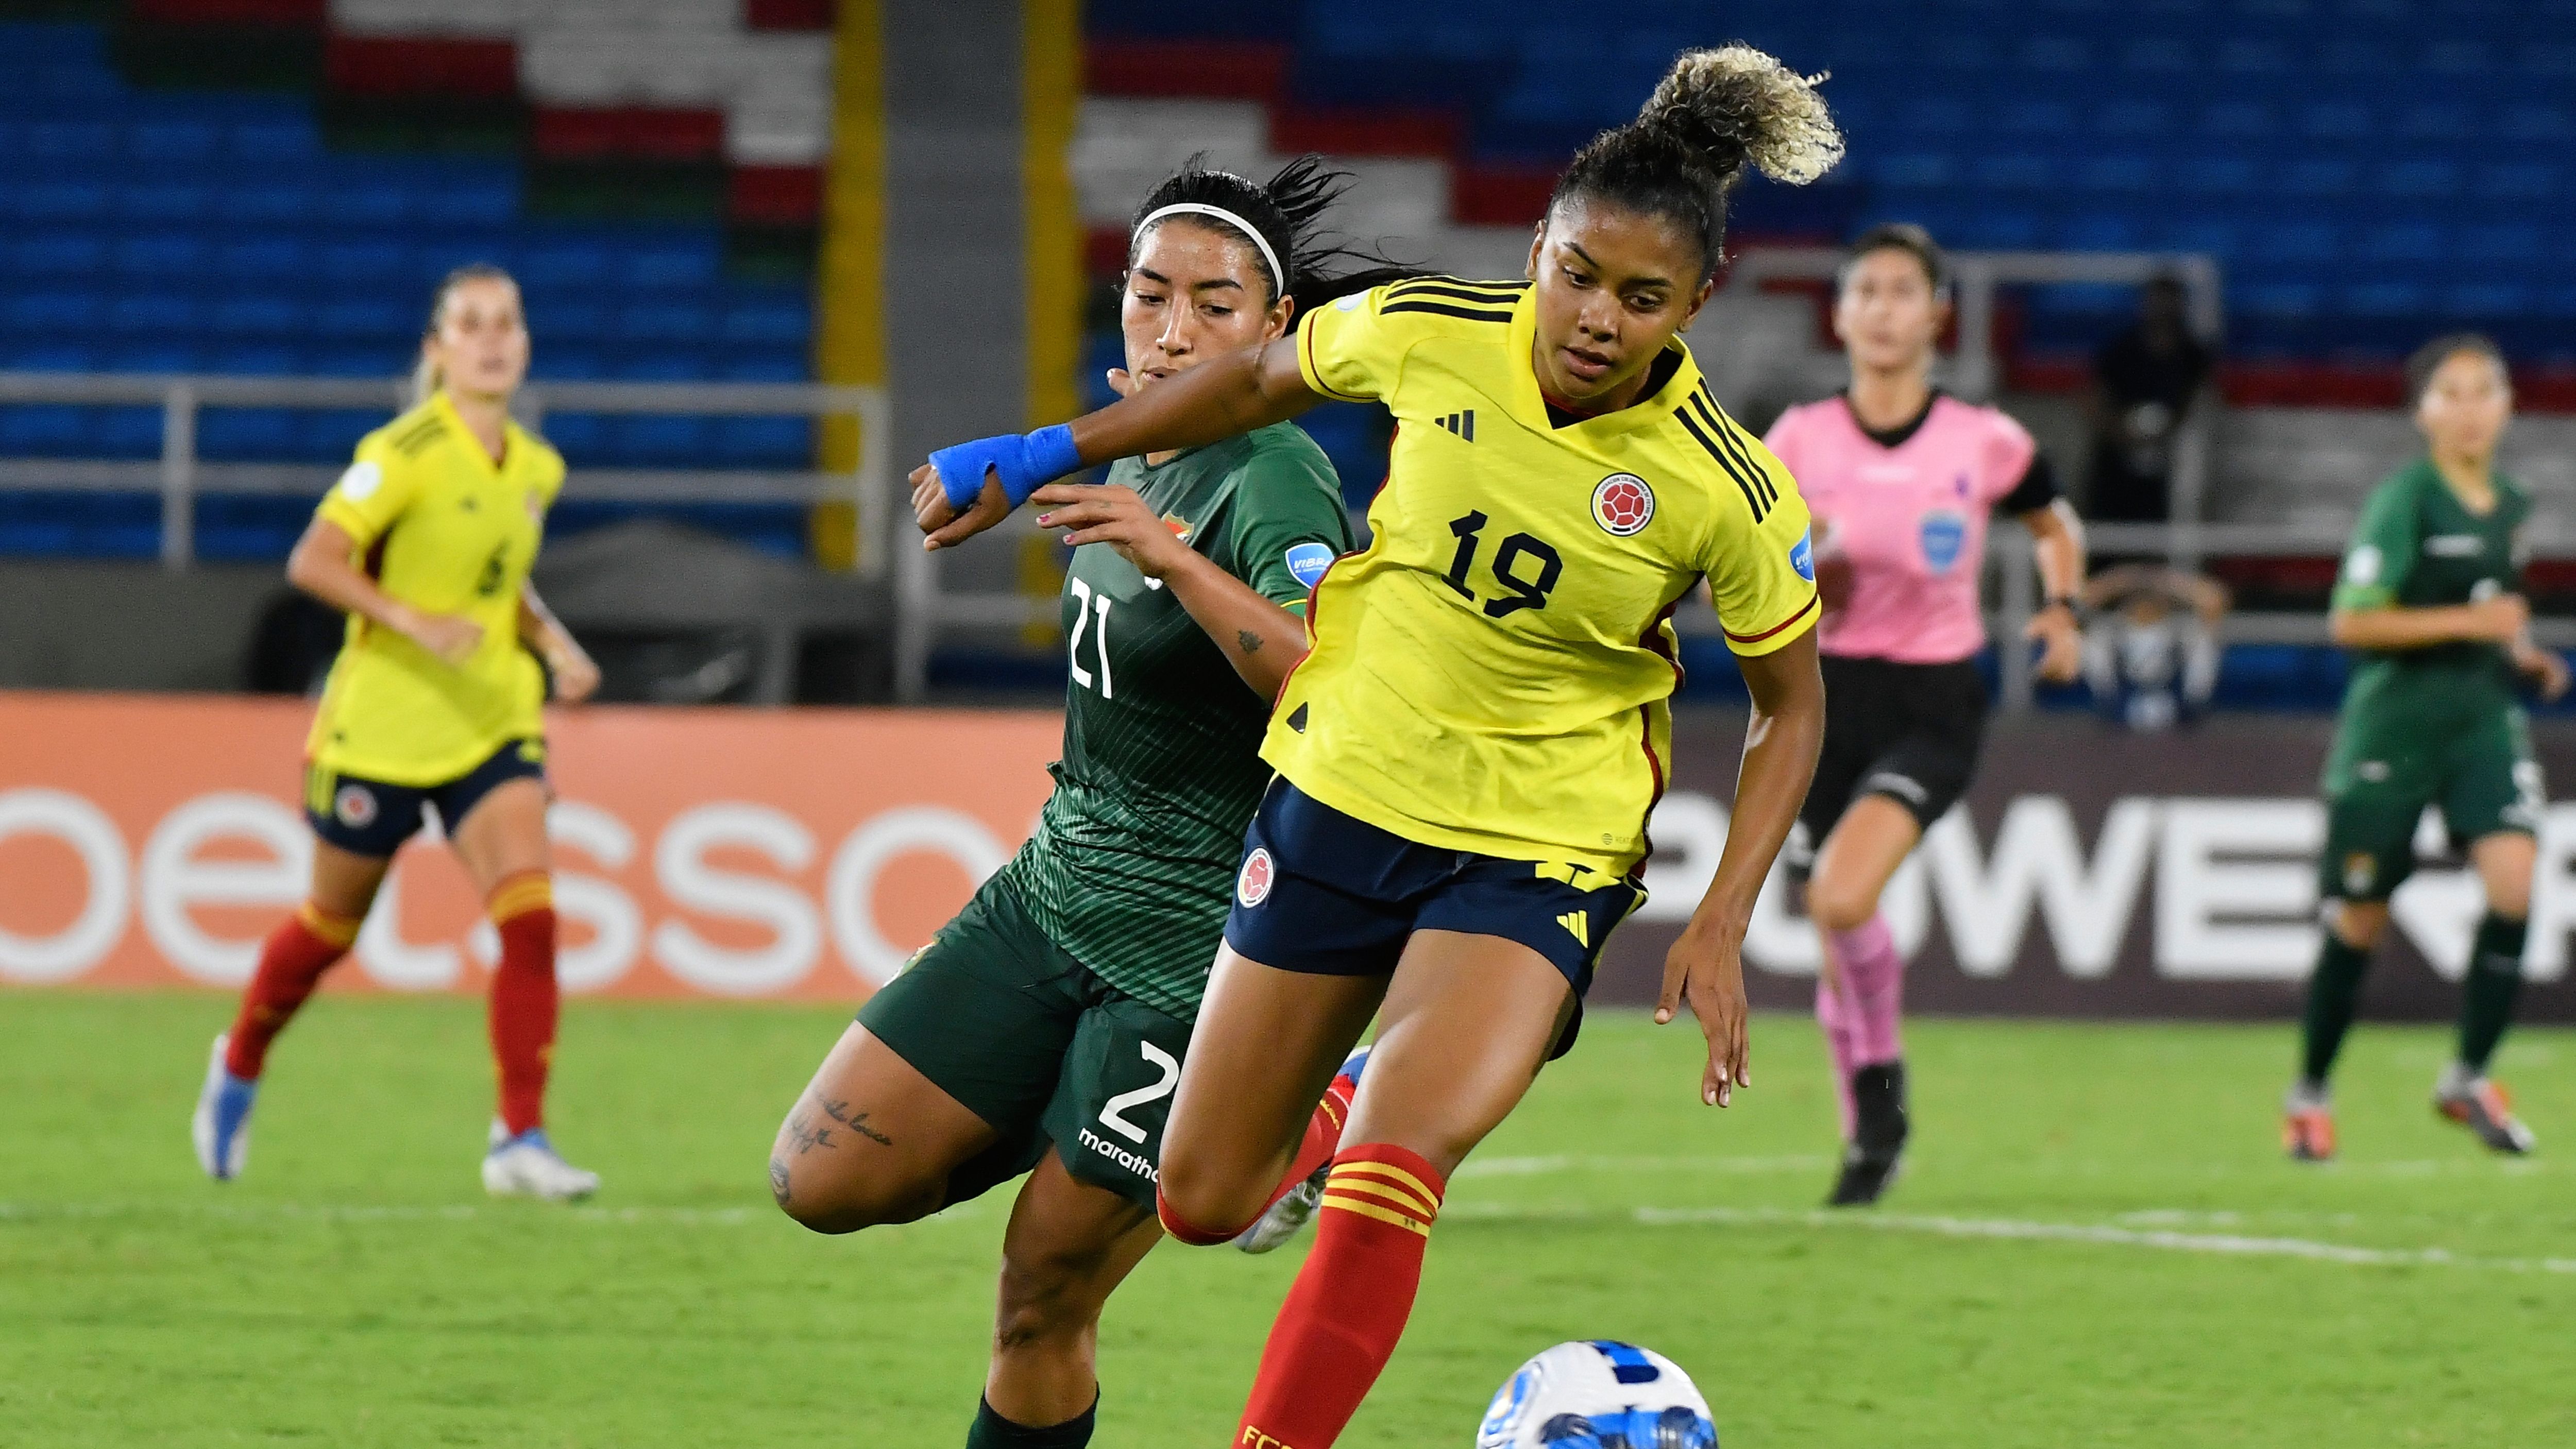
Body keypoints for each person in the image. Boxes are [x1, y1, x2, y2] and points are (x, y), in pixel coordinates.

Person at [910, 46, 1838, 1448]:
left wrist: (1723, 915)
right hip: (1340, 795)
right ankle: (1336, 1097)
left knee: (1405, 1152)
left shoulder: (1729, 489)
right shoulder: (1421, 328)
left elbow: (1793, 703)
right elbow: (1236, 392)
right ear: (1540, 246)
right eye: (1577, 273)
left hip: (1537, 845)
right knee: (1207, 1197)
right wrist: (1049, 448)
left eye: (1642, 298)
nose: (1595, 317)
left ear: (1697, 302)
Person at [768, 156, 1402, 1449]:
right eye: (1150, 295)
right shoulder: (1136, 447)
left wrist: (1171, 554)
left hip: (1191, 949)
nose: (1173, 329)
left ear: (1274, 333)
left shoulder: (1269, 477)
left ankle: (1266, 1107)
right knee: (820, 1176)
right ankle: (1250, 1126)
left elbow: (1325, 682)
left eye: (1214, 307)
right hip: (1052, 890)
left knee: (1039, 1290)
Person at [191, 264, 604, 1200]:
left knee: (531, 916)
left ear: (525, 342)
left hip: (491, 716)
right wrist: (413, 621)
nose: (492, 338)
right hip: (382, 725)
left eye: (507, 321)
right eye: (471, 324)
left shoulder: (536, 466)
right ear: (438, 349)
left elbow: (504, 582)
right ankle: (242, 1056)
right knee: (331, 926)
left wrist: (553, 642)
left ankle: (519, 1139)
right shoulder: (403, 451)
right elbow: (315, 559)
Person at [1762, 223, 2088, 1207]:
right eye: (1869, 291)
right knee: (1833, 919)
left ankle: (1883, 1087)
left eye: (1906, 292)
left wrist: (2061, 603)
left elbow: (2053, 520)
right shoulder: (1798, 439)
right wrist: (1808, 558)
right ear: (1843, 312)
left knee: (1842, 896)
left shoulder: (1982, 439)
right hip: (1822, 701)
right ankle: (1868, 1138)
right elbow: (1749, 560)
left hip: (1933, 698)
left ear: (1937, 313)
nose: (1886, 309)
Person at [2284, 333, 2567, 1162]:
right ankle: (2310, 1091)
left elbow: (2492, 609)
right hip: (2394, 728)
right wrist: (2470, 625)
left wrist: (2518, 653)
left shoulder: (2510, 505)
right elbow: (2353, 619)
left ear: (2510, 406)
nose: (2472, 409)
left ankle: (2470, 1075)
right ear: (2422, 411)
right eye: (2453, 393)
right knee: (2362, 917)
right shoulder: (2403, 501)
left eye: (2487, 391)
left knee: (2515, 880)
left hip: (2481, 718)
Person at [2084, 271, 2211, 525]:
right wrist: (2123, 432)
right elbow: (2094, 399)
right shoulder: (2121, 351)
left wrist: (2168, 433)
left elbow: (2199, 400)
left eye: (2170, 302)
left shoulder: (2193, 356)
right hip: (2116, 465)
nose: (2163, 310)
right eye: (2157, 301)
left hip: (2171, 461)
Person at [2078, 562, 2230, 732]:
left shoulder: (2181, 629)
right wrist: (2120, 580)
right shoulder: (2111, 629)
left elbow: (2214, 600)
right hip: (2122, 700)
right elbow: (2076, 605)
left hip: (2177, 701)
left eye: (2151, 598)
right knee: (2092, 639)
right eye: (2140, 598)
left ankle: (2196, 704)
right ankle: (2106, 702)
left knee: (2203, 641)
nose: (2146, 605)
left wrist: (2167, 582)